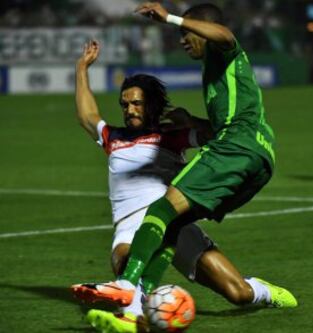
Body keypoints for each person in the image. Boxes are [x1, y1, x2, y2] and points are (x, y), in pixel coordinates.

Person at [71, 40, 287, 333]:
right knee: (124, 261)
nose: (130, 110)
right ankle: (131, 318)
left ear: (152, 105)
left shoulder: (171, 136)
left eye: (137, 103)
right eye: (125, 104)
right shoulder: (113, 137)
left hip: (175, 223)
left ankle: (262, 291)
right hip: (129, 226)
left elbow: (218, 137)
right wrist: (82, 68)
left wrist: (193, 123)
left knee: (236, 293)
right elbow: (87, 116)